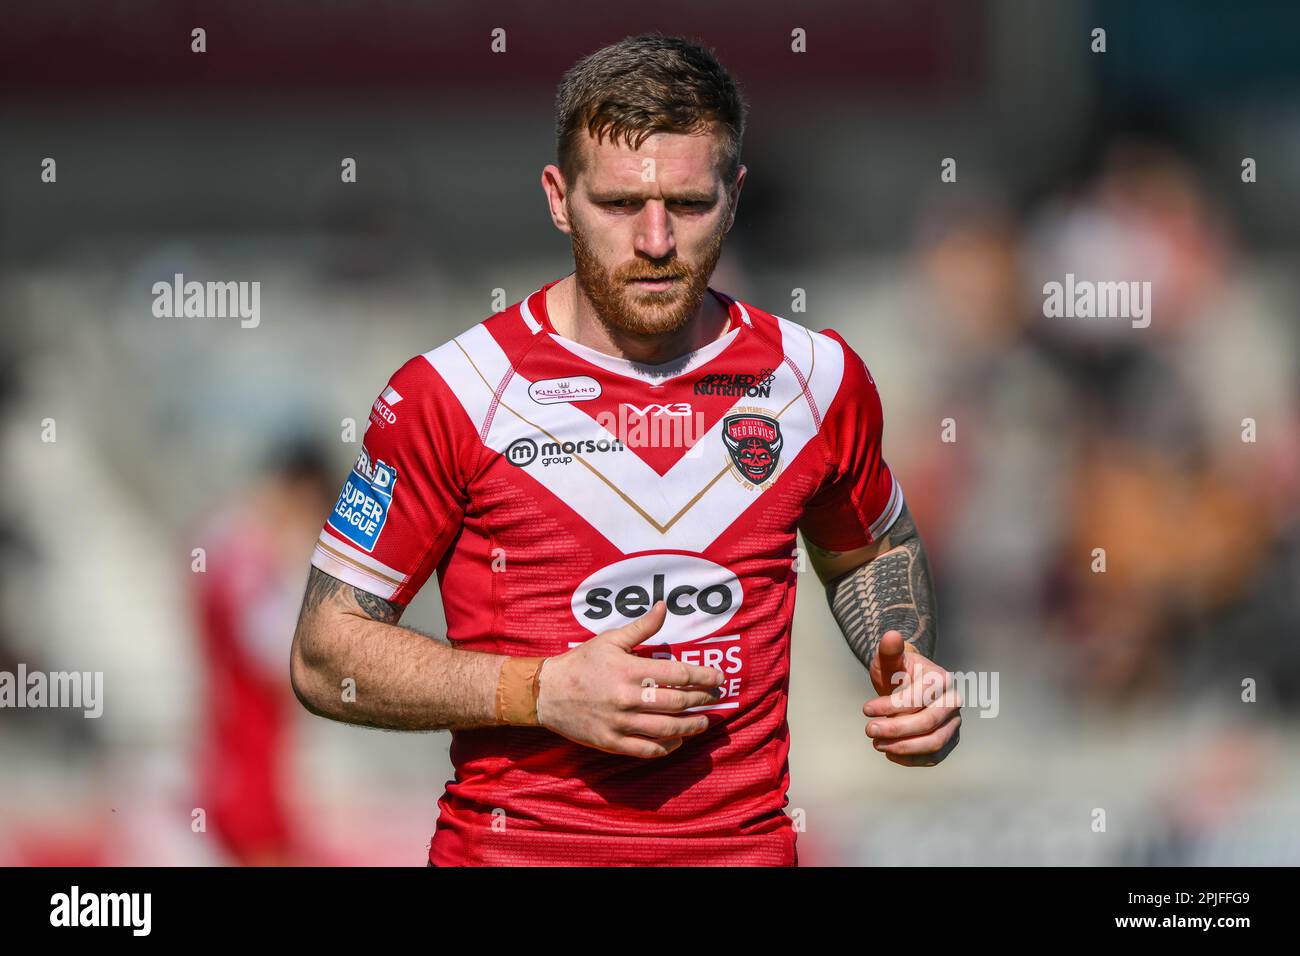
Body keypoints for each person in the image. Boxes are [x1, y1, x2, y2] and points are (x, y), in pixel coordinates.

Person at [290, 33, 959, 867]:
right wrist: (538, 691)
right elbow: (326, 653)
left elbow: (870, 554)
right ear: (557, 198)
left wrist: (908, 668)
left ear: (735, 194)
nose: (653, 241)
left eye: (686, 205)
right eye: (617, 205)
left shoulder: (817, 379)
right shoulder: (454, 393)